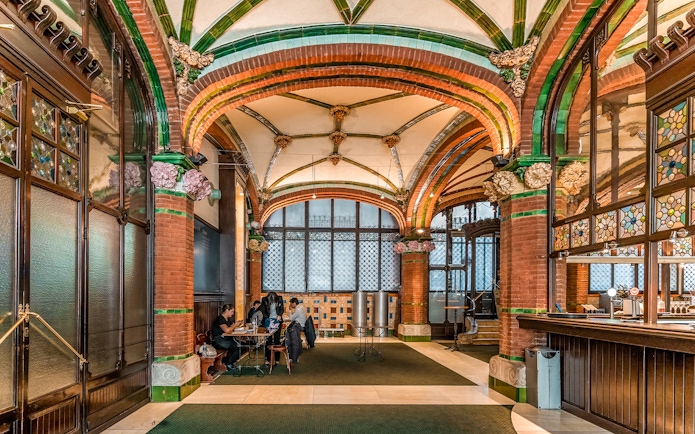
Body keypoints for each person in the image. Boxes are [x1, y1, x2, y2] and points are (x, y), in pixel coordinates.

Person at [211, 304, 243, 370]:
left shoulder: (228, 319)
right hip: (219, 340)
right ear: (226, 310)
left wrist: (237, 324)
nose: (233, 313)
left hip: (226, 339)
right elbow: (227, 330)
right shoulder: (220, 319)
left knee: (242, 345)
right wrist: (235, 326)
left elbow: (231, 328)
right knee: (239, 346)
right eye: (232, 311)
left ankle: (230, 362)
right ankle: (228, 363)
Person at [260, 291, 284, 364]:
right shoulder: (264, 299)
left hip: (277, 321)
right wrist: (268, 319)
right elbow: (263, 311)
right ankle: (268, 358)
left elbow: (282, 309)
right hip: (268, 321)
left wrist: (279, 315)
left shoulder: (280, 299)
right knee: (268, 340)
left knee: (277, 340)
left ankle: (277, 359)